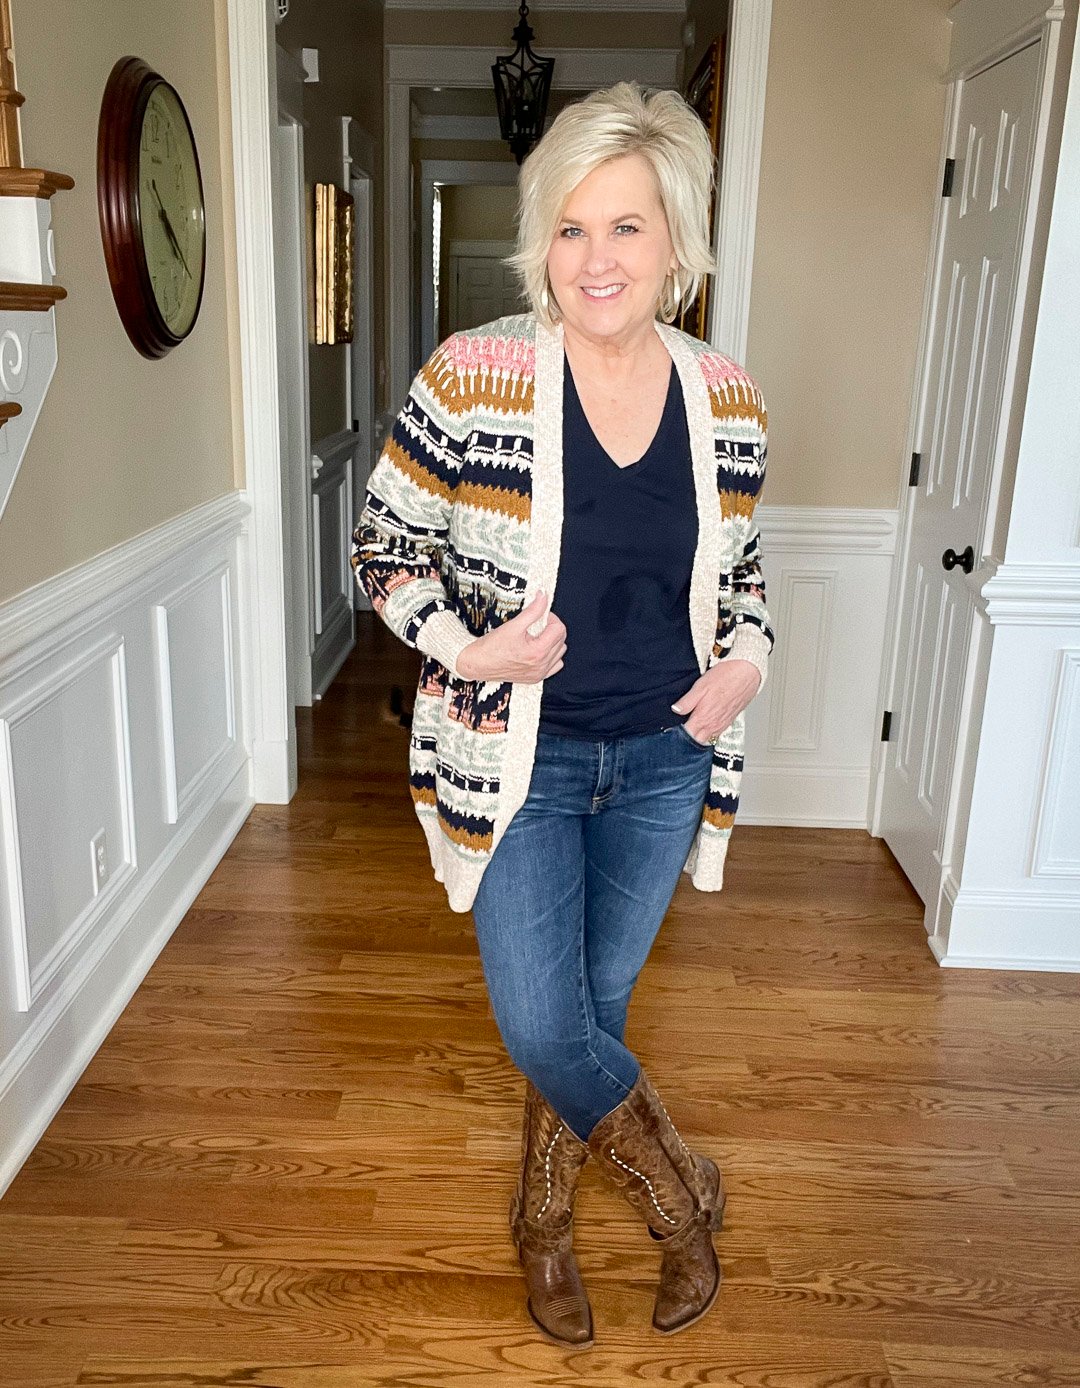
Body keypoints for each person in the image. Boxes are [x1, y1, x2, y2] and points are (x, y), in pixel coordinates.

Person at [351, 80, 774, 1347]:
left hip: (663, 754)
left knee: (588, 1014)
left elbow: (746, 574)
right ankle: (678, 1192)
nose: (599, 259)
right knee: (543, 1018)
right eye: (574, 227)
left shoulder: (730, 398)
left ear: (677, 242)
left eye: (628, 227)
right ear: (542, 240)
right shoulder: (474, 374)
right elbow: (383, 546)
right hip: (518, 754)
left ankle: (541, 1223)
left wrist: (751, 655)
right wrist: (470, 642)